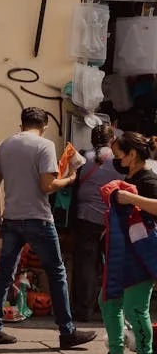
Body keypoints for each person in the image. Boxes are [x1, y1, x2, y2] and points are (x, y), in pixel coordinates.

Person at [0, 107, 96, 348]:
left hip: (12, 219)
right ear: (44, 126)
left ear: (22, 124)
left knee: (4, 274)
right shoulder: (44, 145)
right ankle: (66, 332)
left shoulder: (6, 144)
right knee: (57, 273)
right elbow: (47, 185)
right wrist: (70, 178)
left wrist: (0, 215)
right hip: (38, 218)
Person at [88, 132, 157, 354]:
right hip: (121, 255)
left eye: (118, 155)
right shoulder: (129, 179)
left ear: (132, 154)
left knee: (135, 308)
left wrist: (130, 198)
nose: (116, 160)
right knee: (108, 301)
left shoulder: (149, 180)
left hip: (141, 257)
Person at [71, 124, 122, 322]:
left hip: (85, 218)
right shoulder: (119, 160)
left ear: (92, 140)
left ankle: (84, 310)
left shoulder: (83, 157)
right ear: (112, 140)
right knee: (113, 264)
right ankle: (112, 309)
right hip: (113, 218)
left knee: (86, 265)